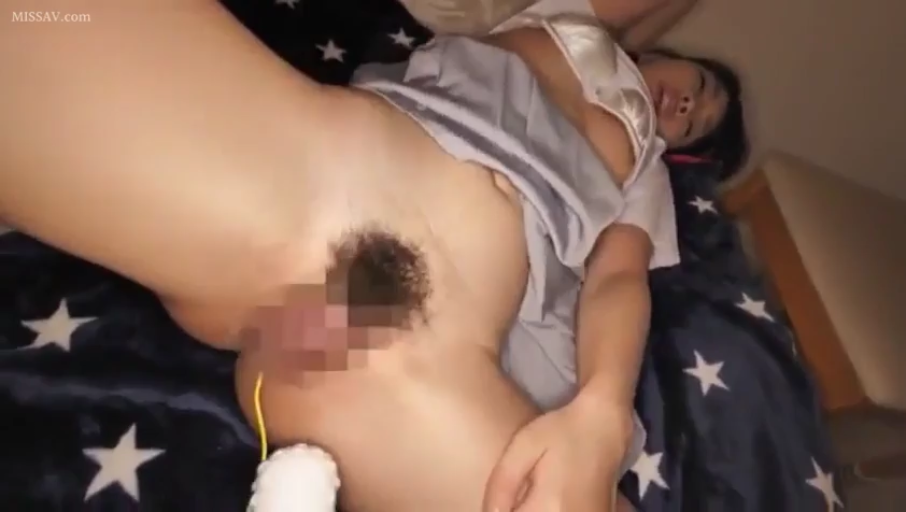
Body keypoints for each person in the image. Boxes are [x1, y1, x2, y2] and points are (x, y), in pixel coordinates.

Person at [0, 0, 746, 511]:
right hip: (339, 171)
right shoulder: (570, 15)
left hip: (433, 328)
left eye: (697, 123)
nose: (686, 107)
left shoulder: (645, 170)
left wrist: (602, 410)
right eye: (702, 87)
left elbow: (617, 279)